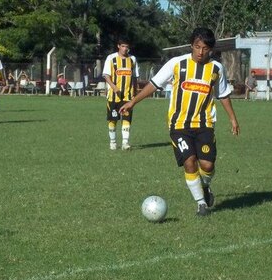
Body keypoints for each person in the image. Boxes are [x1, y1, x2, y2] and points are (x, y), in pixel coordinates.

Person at [120, 27, 240, 216]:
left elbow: (223, 94)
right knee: (189, 161)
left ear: (211, 49)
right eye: (197, 47)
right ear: (191, 45)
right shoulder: (177, 64)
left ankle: (205, 186)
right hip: (179, 125)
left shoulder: (217, 68)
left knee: (207, 165)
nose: (201, 52)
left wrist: (233, 119)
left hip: (204, 123)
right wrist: (133, 101)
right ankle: (201, 203)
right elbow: (154, 84)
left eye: (205, 48)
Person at [102, 37, 140, 150]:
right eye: (123, 46)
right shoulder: (111, 58)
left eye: (127, 47)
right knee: (113, 119)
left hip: (128, 96)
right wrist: (113, 87)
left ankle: (125, 143)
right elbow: (106, 75)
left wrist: (135, 92)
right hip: (114, 96)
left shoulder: (132, 59)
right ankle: (113, 142)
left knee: (127, 119)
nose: (125, 49)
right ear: (118, 46)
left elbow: (135, 77)